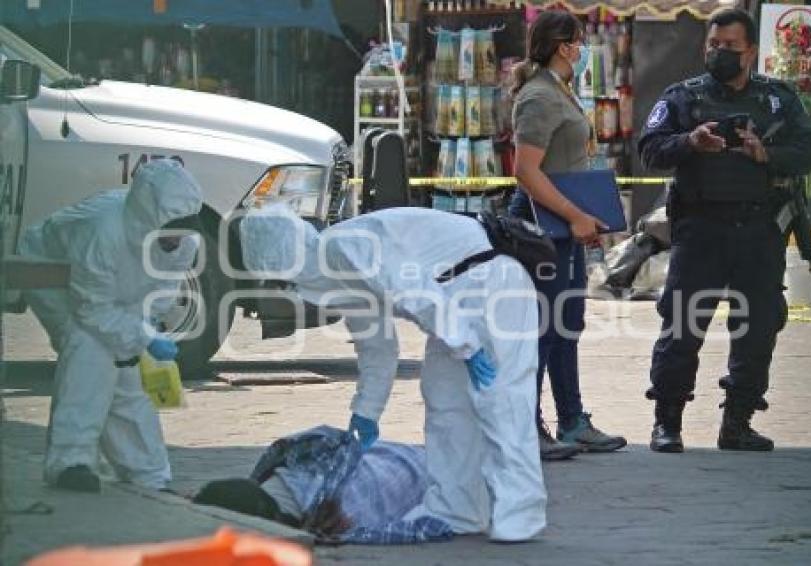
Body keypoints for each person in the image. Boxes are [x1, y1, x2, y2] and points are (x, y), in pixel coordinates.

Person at [240, 204, 546, 542]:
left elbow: (412, 290)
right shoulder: (335, 277)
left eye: (282, 279)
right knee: (445, 401)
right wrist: (365, 414)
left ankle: (521, 515)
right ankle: (457, 509)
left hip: (490, 281)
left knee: (501, 402)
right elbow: (377, 349)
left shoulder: (344, 248)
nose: (287, 289)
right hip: (454, 296)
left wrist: (466, 346)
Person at [638, 9, 811, 453]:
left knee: (759, 325)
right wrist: (689, 142)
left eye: (729, 48)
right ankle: (667, 423)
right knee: (682, 324)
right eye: (713, 46)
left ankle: (737, 422)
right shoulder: (683, 97)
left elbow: (810, 148)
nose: (719, 53)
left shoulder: (778, 99)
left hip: (758, 229)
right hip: (700, 227)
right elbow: (649, 148)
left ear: (751, 52)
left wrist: (767, 154)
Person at [19, 159, 203, 492]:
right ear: (150, 217)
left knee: (128, 368)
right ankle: (70, 463)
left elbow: (161, 291)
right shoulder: (103, 231)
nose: (177, 239)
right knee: (89, 352)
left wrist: (146, 329)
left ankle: (147, 473)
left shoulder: (185, 241)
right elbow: (93, 309)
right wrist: (142, 335)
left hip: (114, 293)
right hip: (54, 275)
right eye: (171, 228)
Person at [508, 9, 627, 459]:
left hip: (563, 224)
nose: (583, 49)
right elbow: (525, 171)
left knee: (566, 325)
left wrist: (583, 218)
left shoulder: (560, 90)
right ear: (563, 46)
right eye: (579, 42)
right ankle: (528, 427)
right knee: (543, 330)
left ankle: (572, 420)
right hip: (542, 226)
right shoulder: (540, 96)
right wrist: (575, 216)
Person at [194, 426, 454, 544]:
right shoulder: (333, 520)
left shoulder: (335, 523)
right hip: (402, 465)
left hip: (408, 469)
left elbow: (426, 529)